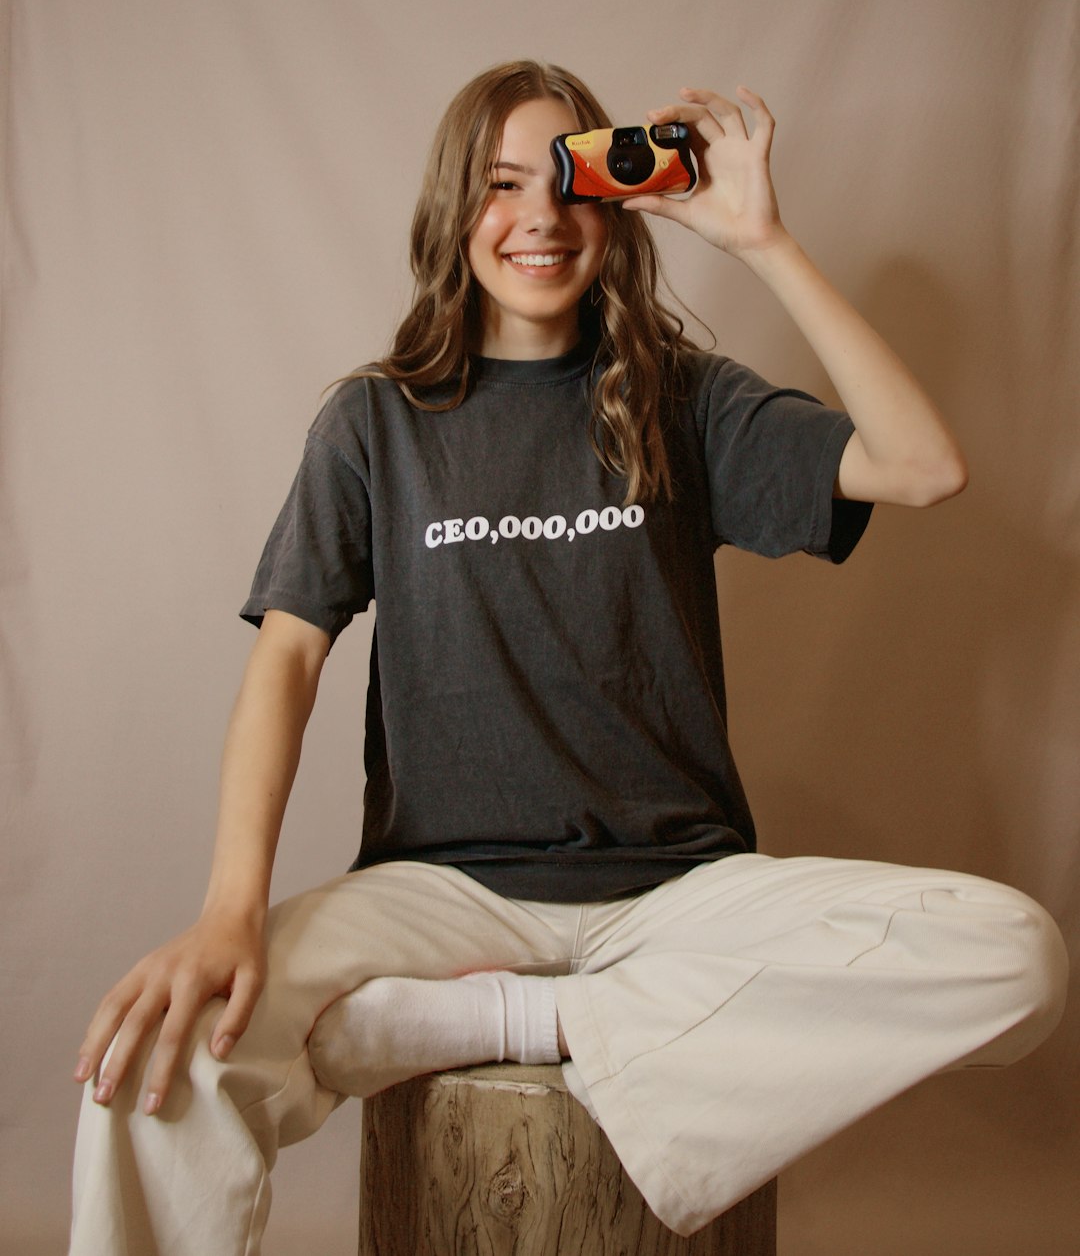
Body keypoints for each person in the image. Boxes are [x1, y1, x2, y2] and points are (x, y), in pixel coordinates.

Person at [69, 61, 1068, 1252]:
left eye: (571, 182)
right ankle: (572, 1023)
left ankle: (524, 1025)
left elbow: (922, 467)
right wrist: (230, 910)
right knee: (156, 1058)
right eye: (499, 186)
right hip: (438, 893)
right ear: (454, 213)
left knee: (1015, 954)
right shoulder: (373, 425)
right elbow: (286, 664)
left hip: (680, 897)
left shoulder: (680, 400)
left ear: (617, 208)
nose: (538, 218)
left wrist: (762, 240)